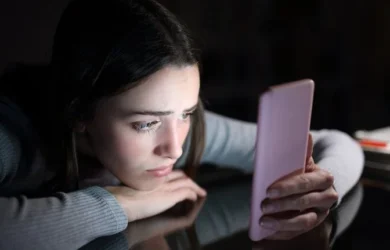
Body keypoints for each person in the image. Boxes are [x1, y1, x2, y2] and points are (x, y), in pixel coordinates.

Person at [0, 0, 364, 249]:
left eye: (187, 113)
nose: (174, 147)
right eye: (145, 124)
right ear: (79, 112)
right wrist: (119, 204)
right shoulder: (12, 133)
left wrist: (316, 189)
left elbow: (335, 142)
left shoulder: (176, 131)